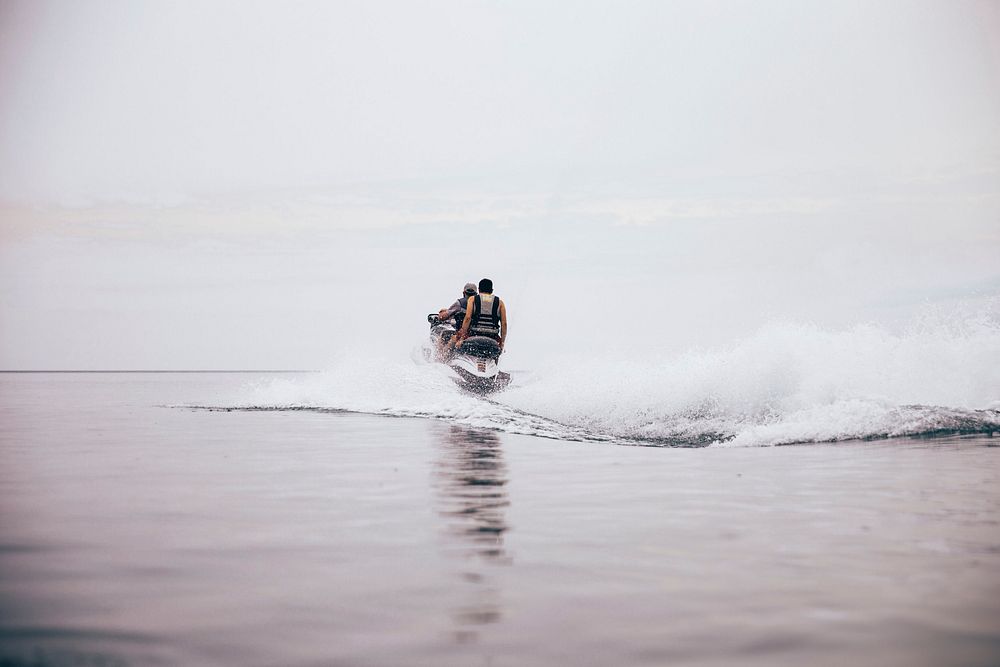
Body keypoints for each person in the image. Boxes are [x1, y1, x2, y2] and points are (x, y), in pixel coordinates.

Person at [454, 278, 508, 353]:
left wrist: (461, 339)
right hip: (493, 336)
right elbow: (504, 324)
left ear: (479, 290)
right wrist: (502, 343)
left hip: (474, 334)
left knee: (455, 340)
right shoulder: (500, 303)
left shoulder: (472, 299)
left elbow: (468, 318)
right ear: (492, 290)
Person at [434, 283, 477, 359]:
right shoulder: (479, 304)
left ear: (464, 293)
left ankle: (441, 359)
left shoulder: (460, 303)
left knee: (444, 334)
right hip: (476, 334)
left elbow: (444, 316)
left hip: (462, 334)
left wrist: (441, 314)